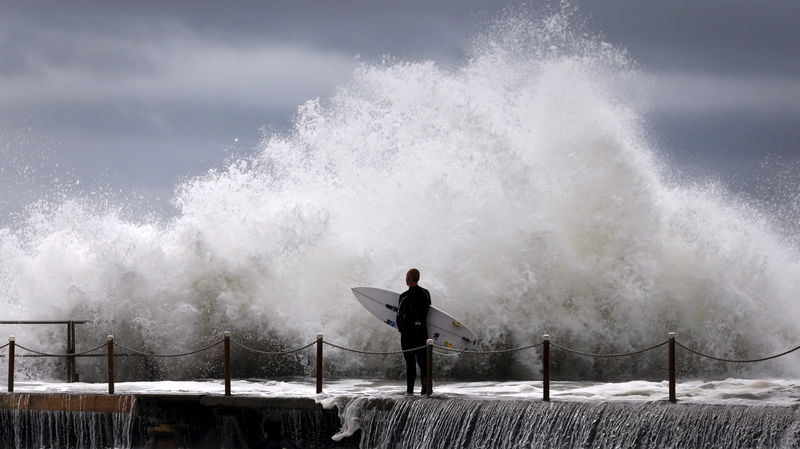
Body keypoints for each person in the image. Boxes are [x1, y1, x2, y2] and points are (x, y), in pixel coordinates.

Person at [396, 268, 431, 395]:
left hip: (408, 335)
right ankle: (425, 391)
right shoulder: (426, 293)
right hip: (422, 333)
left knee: (410, 365)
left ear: (408, 279)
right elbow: (428, 312)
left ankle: (410, 392)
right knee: (423, 364)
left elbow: (399, 316)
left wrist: (401, 329)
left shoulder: (403, 296)